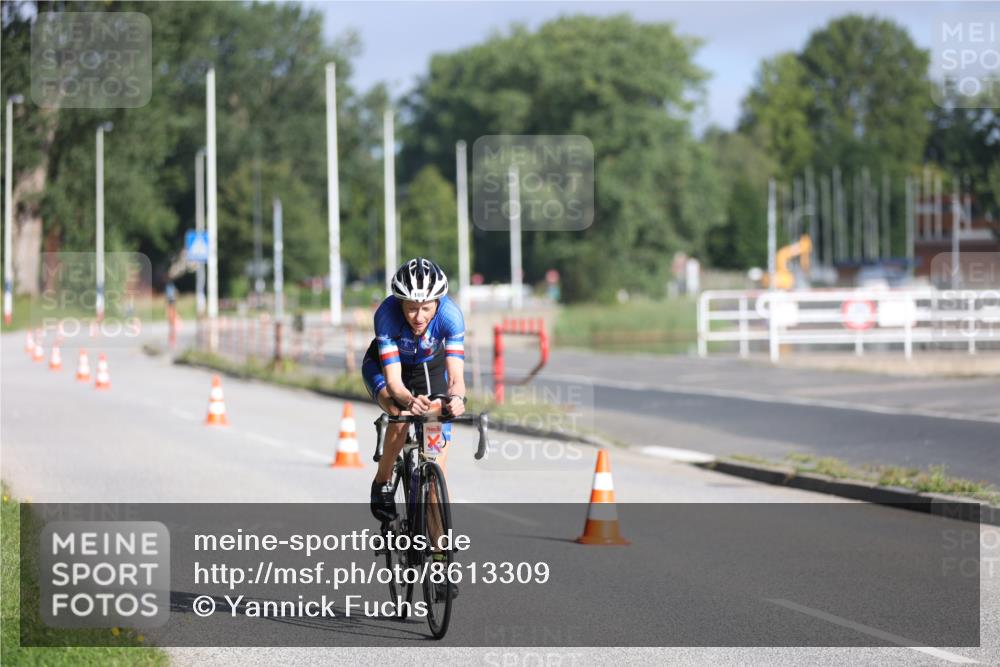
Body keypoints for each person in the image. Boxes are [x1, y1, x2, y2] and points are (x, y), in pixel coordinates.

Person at [362, 258, 466, 523]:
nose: (418, 317)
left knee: (436, 467)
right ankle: (382, 482)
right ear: (400, 304)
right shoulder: (386, 315)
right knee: (398, 412)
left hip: (428, 370)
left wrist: (457, 399)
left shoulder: (451, 317)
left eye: (426, 309)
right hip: (388, 367)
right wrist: (409, 400)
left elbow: (455, 377)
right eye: (410, 308)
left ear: (437, 304)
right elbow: (395, 383)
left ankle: (440, 550)